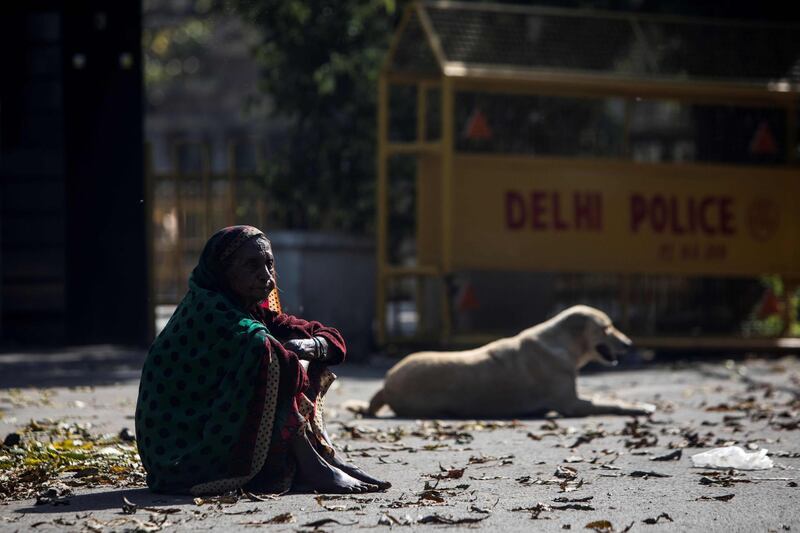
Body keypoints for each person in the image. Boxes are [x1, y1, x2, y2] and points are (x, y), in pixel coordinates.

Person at [135, 225, 389, 495]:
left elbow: (329, 339)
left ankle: (322, 457)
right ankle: (313, 465)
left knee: (289, 353)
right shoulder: (209, 311)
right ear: (223, 271)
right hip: (181, 450)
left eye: (269, 264)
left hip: (216, 428)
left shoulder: (247, 306)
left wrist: (312, 346)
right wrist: (291, 356)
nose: (266, 276)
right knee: (267, 356)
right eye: (251, 265)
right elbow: (277, 360)